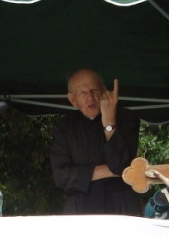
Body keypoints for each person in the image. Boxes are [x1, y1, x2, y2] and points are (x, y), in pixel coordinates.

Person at [50, 68, 141, 215]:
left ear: (104, 92)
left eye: (94, 90)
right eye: (83, 93)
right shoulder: (64, 127)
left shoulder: (127, 118)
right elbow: (61, 177)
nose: (90, 97)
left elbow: (121, 165)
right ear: (73, 100)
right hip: (80, 208)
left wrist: (109, 124)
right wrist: (110, 171)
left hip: (120, 205)